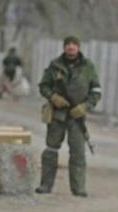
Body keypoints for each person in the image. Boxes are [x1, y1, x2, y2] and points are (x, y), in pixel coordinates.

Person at [36, 36, 101, 197]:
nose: (71, 47)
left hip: (76, 117)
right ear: (64, 47)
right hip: (58, 115)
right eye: (68, 45)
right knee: (51, 149)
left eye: (74, 45)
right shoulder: (55, 65)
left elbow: (96, 91)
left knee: (78, 152)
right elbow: (43, 86)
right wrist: (53, 98)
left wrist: (85, 107)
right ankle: (45, 185)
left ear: (78, 47)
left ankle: (78, 188)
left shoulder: (88, 67)